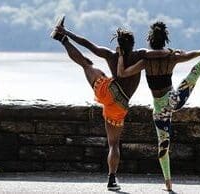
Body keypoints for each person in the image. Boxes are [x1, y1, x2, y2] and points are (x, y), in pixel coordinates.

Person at [50, 16, 171, 191]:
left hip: (106, 92)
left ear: (119, 44)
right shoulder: (140, 55)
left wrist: (66, 31)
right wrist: (172, 52)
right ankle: (111, 178)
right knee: (114, 144)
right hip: (119, 105)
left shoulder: (111, 55)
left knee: (87, 65)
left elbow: (88, 44)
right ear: (132, 44)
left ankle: (62, 39)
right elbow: (160, 53)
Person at [117, 21, 200, 192]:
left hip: (160, 110)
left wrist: (120, 55)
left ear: (150, 40)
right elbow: (192, 55)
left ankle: (168, 184)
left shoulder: (145, 61)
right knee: (196, 71)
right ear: (165, 40)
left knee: (163, 144)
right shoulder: (171, 56)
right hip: (174, 100)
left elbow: (122, 74)